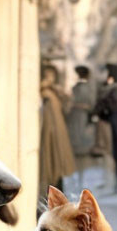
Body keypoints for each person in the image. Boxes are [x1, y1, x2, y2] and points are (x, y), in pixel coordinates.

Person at [38, 64, 76, 198]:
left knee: (57, 166)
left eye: (52, 76)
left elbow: (66, 109)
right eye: (48, 76)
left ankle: (57, 191)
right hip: (49, 134)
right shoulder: (45, 94)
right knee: (50, 165)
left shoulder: (53, 93)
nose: (51, 79)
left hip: (58, 134)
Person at [95, 63, 117, 192]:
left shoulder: (114, 89)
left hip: (114, 122)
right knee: (115, 151)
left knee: (116, 151)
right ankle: (115, 180)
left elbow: (108, 104)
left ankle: (116, 180)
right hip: (112, 122)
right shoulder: (113, 88)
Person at [67, 65, 97, 187]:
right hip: (75, 118)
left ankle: (81, 177)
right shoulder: (76, 87)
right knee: (75, 146)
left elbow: (90, 105)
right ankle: (76, 176)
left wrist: (77, 105)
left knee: (81, 147)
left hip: (81, 117)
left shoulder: (87, 88)